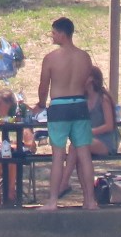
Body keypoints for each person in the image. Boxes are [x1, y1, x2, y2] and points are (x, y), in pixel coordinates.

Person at [34, 15, 99, 211]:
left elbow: (43, 85)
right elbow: (89, 83)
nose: (51, 36)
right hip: (79, 104)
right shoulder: (85, 57)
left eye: (53, 32)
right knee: (84, 154)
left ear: (62, 34)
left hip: (60, 106)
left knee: (58, 155)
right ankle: (90, 201)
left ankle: (53, 201)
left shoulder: (51, 58)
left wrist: (41, 103)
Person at [0, 88, 36, 206]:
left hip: (13, 151)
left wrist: (13, 145)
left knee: (11, 155)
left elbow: (31, 144)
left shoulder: (19, 121)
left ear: (9, 105)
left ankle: (11, 193)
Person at [87, 68, 119, 158]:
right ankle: (81, 172)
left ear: (91, 79)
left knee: (80, 145)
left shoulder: (103, 99)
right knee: (75, 147)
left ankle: (64, 172)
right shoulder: (83, 99)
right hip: (89, 139)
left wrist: (90, 132)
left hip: (105, 141)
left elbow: (109, 126)